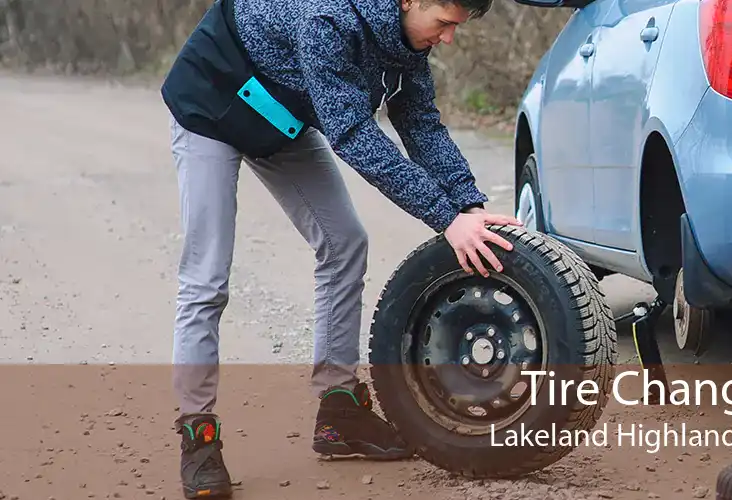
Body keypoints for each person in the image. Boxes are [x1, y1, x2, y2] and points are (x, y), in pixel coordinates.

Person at [158, 0, 518, 497]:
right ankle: (197, 436)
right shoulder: (327, 21)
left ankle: (340, 412)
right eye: (445, 24)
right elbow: (352, 133)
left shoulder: (407, 41)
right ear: (409, 0)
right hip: (210, 104)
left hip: (280, 118)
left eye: (457, 28)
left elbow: (421, 123)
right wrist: (444, 219)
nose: (449, 39)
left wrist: (468, 206)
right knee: (207, 277)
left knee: (345, 243)